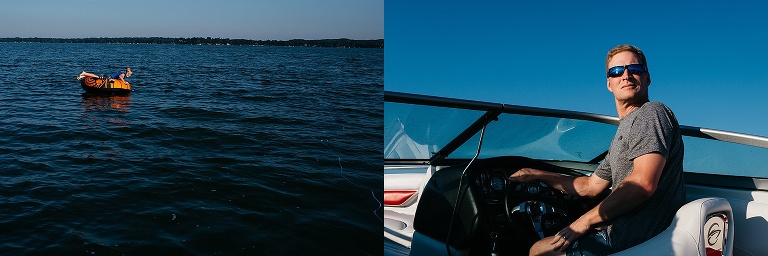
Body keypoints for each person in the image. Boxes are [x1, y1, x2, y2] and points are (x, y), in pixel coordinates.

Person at [508, 45, 685, 256]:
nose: (626, 76)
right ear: (609, 84)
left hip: (631, 240)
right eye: (617, 71)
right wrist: (538, 175)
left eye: (635, 69)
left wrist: (583, 222)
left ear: (647, 78)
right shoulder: (624, 130)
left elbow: (642, 184)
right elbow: (591, 186)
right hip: (624, 234)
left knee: (538, 250)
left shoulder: (650, 113)